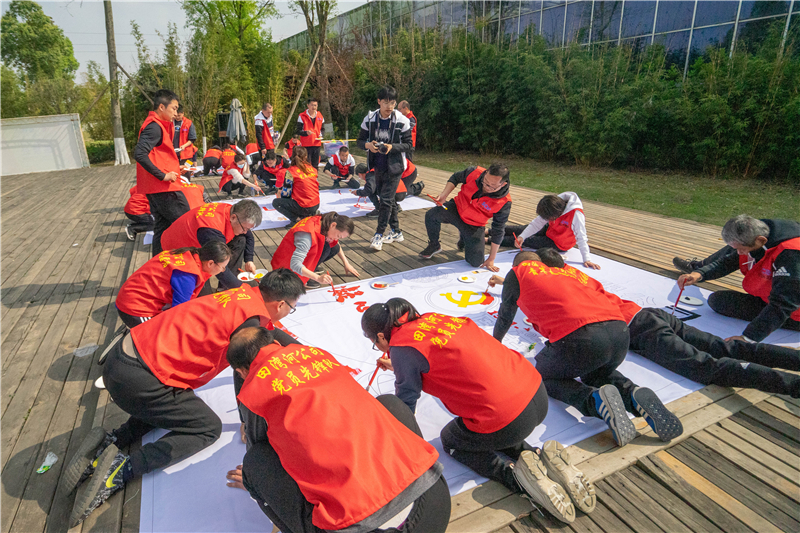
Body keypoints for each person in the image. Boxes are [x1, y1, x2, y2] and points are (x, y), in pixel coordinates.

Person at [63, 269, 306, 527]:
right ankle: (121, 471)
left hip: (121, 360)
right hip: (138, 382)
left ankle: (113, 441)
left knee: (174, 404)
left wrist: (303, 350)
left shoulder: (242, 296)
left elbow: (269, 335)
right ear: (280, 304)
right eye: (291, 309)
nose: (288, 313)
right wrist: (246, 419)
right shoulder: (248, 327)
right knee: (207, 427)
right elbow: (244, 370)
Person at [362, 298, 595, 523]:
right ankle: (537, 457)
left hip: (508, 418)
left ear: (381, 335)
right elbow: (433, 356)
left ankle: (517, 478)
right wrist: (401, 366)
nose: (379, 348)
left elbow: (405, 405)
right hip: (535, 392)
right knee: (490, 422)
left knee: (452, 439)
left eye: (375, 343)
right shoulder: (433, 319)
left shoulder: (402, 347)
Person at [227, 327, 451, 533]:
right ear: (276, 343)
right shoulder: (318, 356)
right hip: (434, 504)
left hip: (357, 526)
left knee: (255, 463)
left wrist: (258, 483)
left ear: (241, 372)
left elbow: (260, 448)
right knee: (389, 403)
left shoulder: (254, 391)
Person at [492, 249, 683, 447]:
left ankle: (595, 402)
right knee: (595, 371)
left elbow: (506, 315)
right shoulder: (564, 273)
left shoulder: (518, 272)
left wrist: (495, 344)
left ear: (515, 266)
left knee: (542, 376)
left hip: (583, 338)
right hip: (619, 332)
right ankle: (632, 393)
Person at [598, 288, 800, 398]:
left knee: (704, 366)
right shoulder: (580, 278)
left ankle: (794, 385)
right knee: (725, 348)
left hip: (637, 327)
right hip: (648, 313)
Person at [675, 216, 800, 343]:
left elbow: (784, 303)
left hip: (793, 311)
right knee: (719, 301)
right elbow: (728, 262)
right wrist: (699, 274)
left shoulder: (792, 255)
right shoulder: (757, 241)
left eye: (742, 249)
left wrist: (748, 338)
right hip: (770, 299)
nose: (739, 253)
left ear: (761, 240)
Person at [115, 241, 231, 328]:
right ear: (210, 263)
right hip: (135, 308)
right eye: (222, 267)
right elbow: (178, 313)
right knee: (162, 337)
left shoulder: (187, 254)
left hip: (132, 294)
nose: (222, 271)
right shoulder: (188, 275)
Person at [420, 163, 511, 271]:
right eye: (485, 181)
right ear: (486, 172)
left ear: (503, 184)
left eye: (492, 186)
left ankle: (465, 236)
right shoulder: (474, 172)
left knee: (476, 262)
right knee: (431, 215)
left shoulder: (504, 202)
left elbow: (498, 230)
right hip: (456, 208)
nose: (486, 187)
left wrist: (491, 258)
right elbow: (455, 178)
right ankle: (434, 245)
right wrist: (444, 195)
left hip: (474, 225)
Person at [356, 86, 414, 251]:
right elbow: (359, 141)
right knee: (388, 199)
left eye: (393, 103)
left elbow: (409, 145)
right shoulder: (369, 119)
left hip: (395, 166)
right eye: (386, 102)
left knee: (386, 201)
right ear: (379, 101)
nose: (389, 106)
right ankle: (396, 231)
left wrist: (391, 147)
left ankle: (379, 234)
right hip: (377, 164)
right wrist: (368, 145)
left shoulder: (401, 120)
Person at [133, 89, 190, 257]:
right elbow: (140, 154)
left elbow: (157, 155)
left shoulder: (155, 124)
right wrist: (163, 175)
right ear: (161, 107)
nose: (176, 113)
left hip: (156, 188)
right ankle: (192, 263)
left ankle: (158, 264)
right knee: (187, 222)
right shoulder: (154, 127)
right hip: (164, 187)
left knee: (162, 228)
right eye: (174, 108)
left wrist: (174, 168)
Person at [161, 200, 262, 293]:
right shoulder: (211, 231)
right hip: (177, 249)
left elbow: (248, 236)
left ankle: (224, 287)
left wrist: (249, 260)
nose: (245, 231)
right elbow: (217, 265)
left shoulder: (234, 212)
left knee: (241, 239)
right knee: (202, 296)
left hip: (201, 241)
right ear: (233, 217)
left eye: (248, 229)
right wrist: (242, 289)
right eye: (244, 228)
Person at [502, 192, 600, 270]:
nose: (548, 220)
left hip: (559, 243)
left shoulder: (576, 215)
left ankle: (493, 240)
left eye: (549, 218)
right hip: (550, 230)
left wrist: (587, 259)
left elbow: (581, 238)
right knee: (520, 230)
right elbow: (536, 224)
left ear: (557, 213)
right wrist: (522, 236)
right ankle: (494, 231)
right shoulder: (552, 207)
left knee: (527, 241)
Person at [271, 212, 359, 289]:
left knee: (334, 247)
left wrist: (346, 263)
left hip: (298, 256)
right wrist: (317, 278)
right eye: (338, 236)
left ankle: (309, 270)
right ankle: (304, 277)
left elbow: (336, 243)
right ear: (333, 225)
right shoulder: (307, 235)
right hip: (285, 268)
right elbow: (295, 264)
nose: (336, 239)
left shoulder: (323, 221)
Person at [351, 162, 424, 219]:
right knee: (381, 187)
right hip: (402, 191)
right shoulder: (376, 171)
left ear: (360, 174)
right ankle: (395, 206)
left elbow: (369, 190)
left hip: (395, 193)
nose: (360, 178)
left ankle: (379, 209)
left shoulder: (370, 175)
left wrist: (358, 192)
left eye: (359, 176)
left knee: (372, 191)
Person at [273, 146, 320, 227]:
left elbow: (286, 193)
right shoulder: (313, 169)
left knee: (276, 203)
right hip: (316, 204)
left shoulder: (291, 171)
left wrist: (280, 192)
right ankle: (310, 214)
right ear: (306, 157)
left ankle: (296, 219)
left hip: (303, 206)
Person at [295, 98, 324, 168]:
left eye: (315, 105)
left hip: (317, 143)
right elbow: (298, 131)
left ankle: (315, 175)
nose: (314, 107)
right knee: (306, 163)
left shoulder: (320, 115)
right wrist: (306, 133)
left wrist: (321, 135)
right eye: (312, 105)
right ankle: (306, 175)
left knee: (315, 164)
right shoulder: (302, 116)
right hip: (306, 144)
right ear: (308, 105)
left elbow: (322, 129)